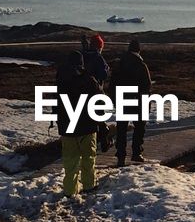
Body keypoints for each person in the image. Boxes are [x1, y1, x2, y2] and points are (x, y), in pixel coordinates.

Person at [55, 51, 101, 196]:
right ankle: (89, 185)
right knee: (88, 157)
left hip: (67, 126)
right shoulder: (89, 79)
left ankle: (70, 190)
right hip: (87, 125)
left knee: (70, 161)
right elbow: (99, 100)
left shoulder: (61, 79)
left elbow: (57, 103)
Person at [112, 39, 152, 166]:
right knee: (139, 127)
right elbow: (147, 85)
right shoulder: (141, 65)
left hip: (122, 99)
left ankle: (121, 155)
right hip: (138, 100)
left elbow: (112, 83)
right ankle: (136, 152)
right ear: (138, 50)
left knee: (122, 128)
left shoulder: (119, 64)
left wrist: (114, 99)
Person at [82, 34, 111, 152]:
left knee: (86, 120)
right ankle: (104, 143)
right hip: (96, 92)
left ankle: (86, 145)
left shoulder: (82, 55)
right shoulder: (98, 58)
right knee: (99, 117)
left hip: (81, 93)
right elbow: (103, 74)